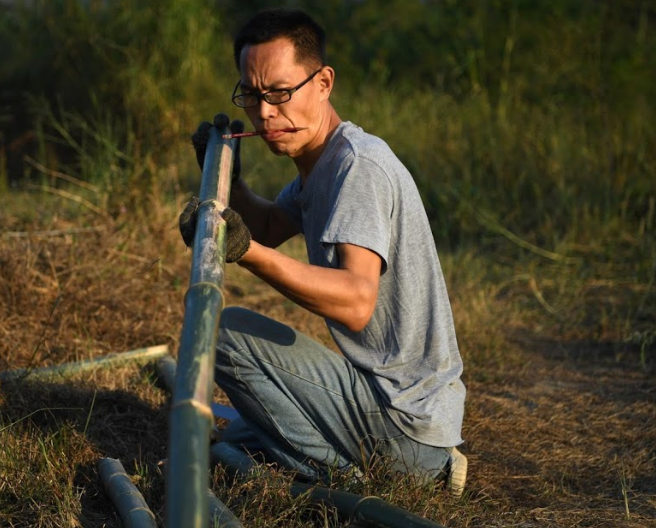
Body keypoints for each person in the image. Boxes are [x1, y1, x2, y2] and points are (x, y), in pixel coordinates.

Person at [180, 8, 467, 495]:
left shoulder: (356, 167)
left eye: (279, 93)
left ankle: (348, 483)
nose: (265, 112)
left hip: (402, 420)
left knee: (225, 335)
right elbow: (269, 226)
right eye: (252, 95)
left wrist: (244, 251)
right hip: (390, 409)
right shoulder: (321, 164)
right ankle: (358, 466)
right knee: (242, 436)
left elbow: (356, 303)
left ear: (324, 82)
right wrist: (230, 178)